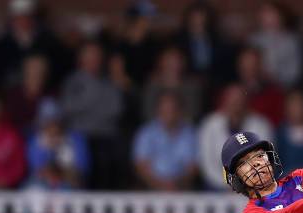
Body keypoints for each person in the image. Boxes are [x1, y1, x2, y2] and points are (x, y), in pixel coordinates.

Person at [61, 41, 123, 189]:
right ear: (81, 58)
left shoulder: (109, 81)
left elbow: (116, 109)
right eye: (90, 55)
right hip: (80, 136)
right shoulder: (72, 82)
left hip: (106, 135)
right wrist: (93, 101)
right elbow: (68, 107)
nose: (94, 59)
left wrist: (87, 107)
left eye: (97, 55)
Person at [198, 84, 273, 189]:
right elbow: (207, 165)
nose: (236, 105)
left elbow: (266, 160)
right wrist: (229, 184)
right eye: (232, 101)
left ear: (246, 103)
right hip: (217, 187)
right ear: (224, 102)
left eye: (239, 101)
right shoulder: (210, 125)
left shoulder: (261, 125)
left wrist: (245, 185)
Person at [133, 92, 199, 190]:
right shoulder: (146, 133)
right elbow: (140, 166)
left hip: (182, 190)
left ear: (180, 111)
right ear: (158, 110)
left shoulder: (190, 134)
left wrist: (176, 185)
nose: (169, 113)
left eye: (172, 109)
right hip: (151, 190)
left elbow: (194, 167)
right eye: (165, 109)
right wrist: (160, 185)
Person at [25, 98, 89, 190]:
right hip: (43, 186)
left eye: (55, 120)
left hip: (69, 186)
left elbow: (81, 171)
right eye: (47, 121)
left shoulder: (76, 139)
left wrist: (62, 173)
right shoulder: (35, 141)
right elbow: (39, 171)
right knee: (33, 190)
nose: (52, 125)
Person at [249, 1, 303, 88]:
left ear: (281, 16)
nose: (266, 18)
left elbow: (295, 72)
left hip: (283, 86)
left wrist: (275, 78)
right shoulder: (254, 40)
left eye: (270, 13)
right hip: (257, 86)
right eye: (264, 13)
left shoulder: (292, 41)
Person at [236, 46, 284, 126]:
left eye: (253, 64)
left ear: (260, 65)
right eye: (245, 64)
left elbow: (277, 121)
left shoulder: (273, 93)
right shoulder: (230, 92)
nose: (249, 67)